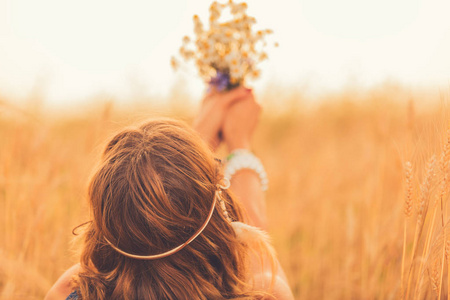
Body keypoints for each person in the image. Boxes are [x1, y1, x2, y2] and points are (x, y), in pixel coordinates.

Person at [45, 87, 294, 300]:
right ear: (216, 210)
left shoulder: (69, 290)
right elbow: (254, 249)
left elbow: (149, 211)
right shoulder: (265, 292)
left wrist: (188, 149)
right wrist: (239, 142)